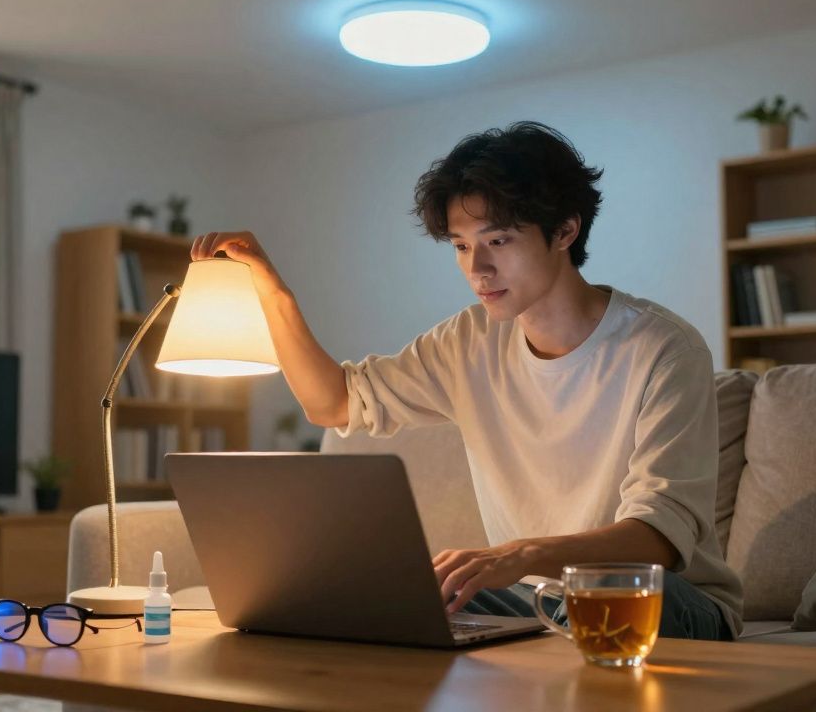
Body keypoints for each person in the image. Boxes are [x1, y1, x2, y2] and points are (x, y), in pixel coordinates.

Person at [190, 121, 742, 641]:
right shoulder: (467, 343)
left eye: (498, 240)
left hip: (672, 600)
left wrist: (516, 556)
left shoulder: (664, 348)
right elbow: (333, 403)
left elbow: (657, 542)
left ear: (565, 230)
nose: (476, 268)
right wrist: (272, 292)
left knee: (604, 596)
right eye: (459, 245)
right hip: (538, 599)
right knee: (374, 607)